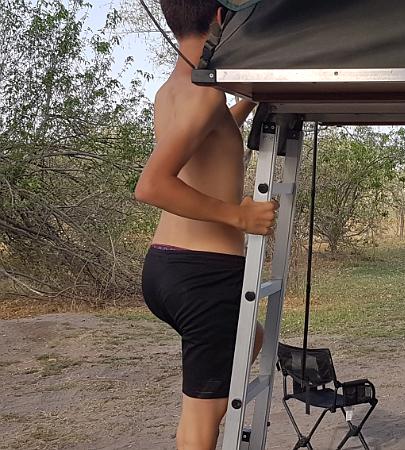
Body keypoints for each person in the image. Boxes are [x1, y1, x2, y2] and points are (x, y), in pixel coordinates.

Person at [134, 1, 278, 448]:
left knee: (245, 342)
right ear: (220, 18)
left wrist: (246, 105)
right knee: (205, 416)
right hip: (204, 274)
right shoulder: (205, 94)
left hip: (165, 268)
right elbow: (152, 185)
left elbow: (207, 139)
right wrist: (238, 215)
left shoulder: (175, 90)